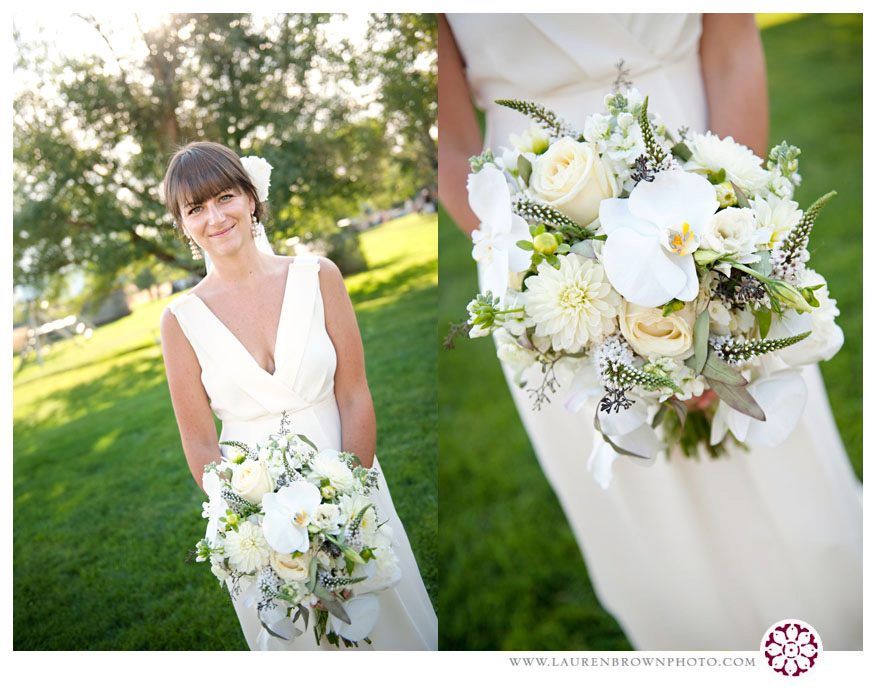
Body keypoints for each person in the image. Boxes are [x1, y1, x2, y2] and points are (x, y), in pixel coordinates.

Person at [439, 13, 862, 650]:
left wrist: (728, 249)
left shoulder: (719, 219)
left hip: (695, 168)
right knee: (649, 504)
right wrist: (531, 268)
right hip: (542, 241)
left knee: (781, 458)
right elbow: (443, 140)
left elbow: (731, 47)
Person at [159, 142, 437, 650]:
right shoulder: (180, 321)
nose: (215, 217)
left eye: (224, 197)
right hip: (258, 517)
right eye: (195, 208)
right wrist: (254, 523)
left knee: (391, 635)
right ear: (182, 223)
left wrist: (349, 501)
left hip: (351, 484)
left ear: (251, 198)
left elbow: (354, 394)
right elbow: (200, 447)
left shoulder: (318, 276)